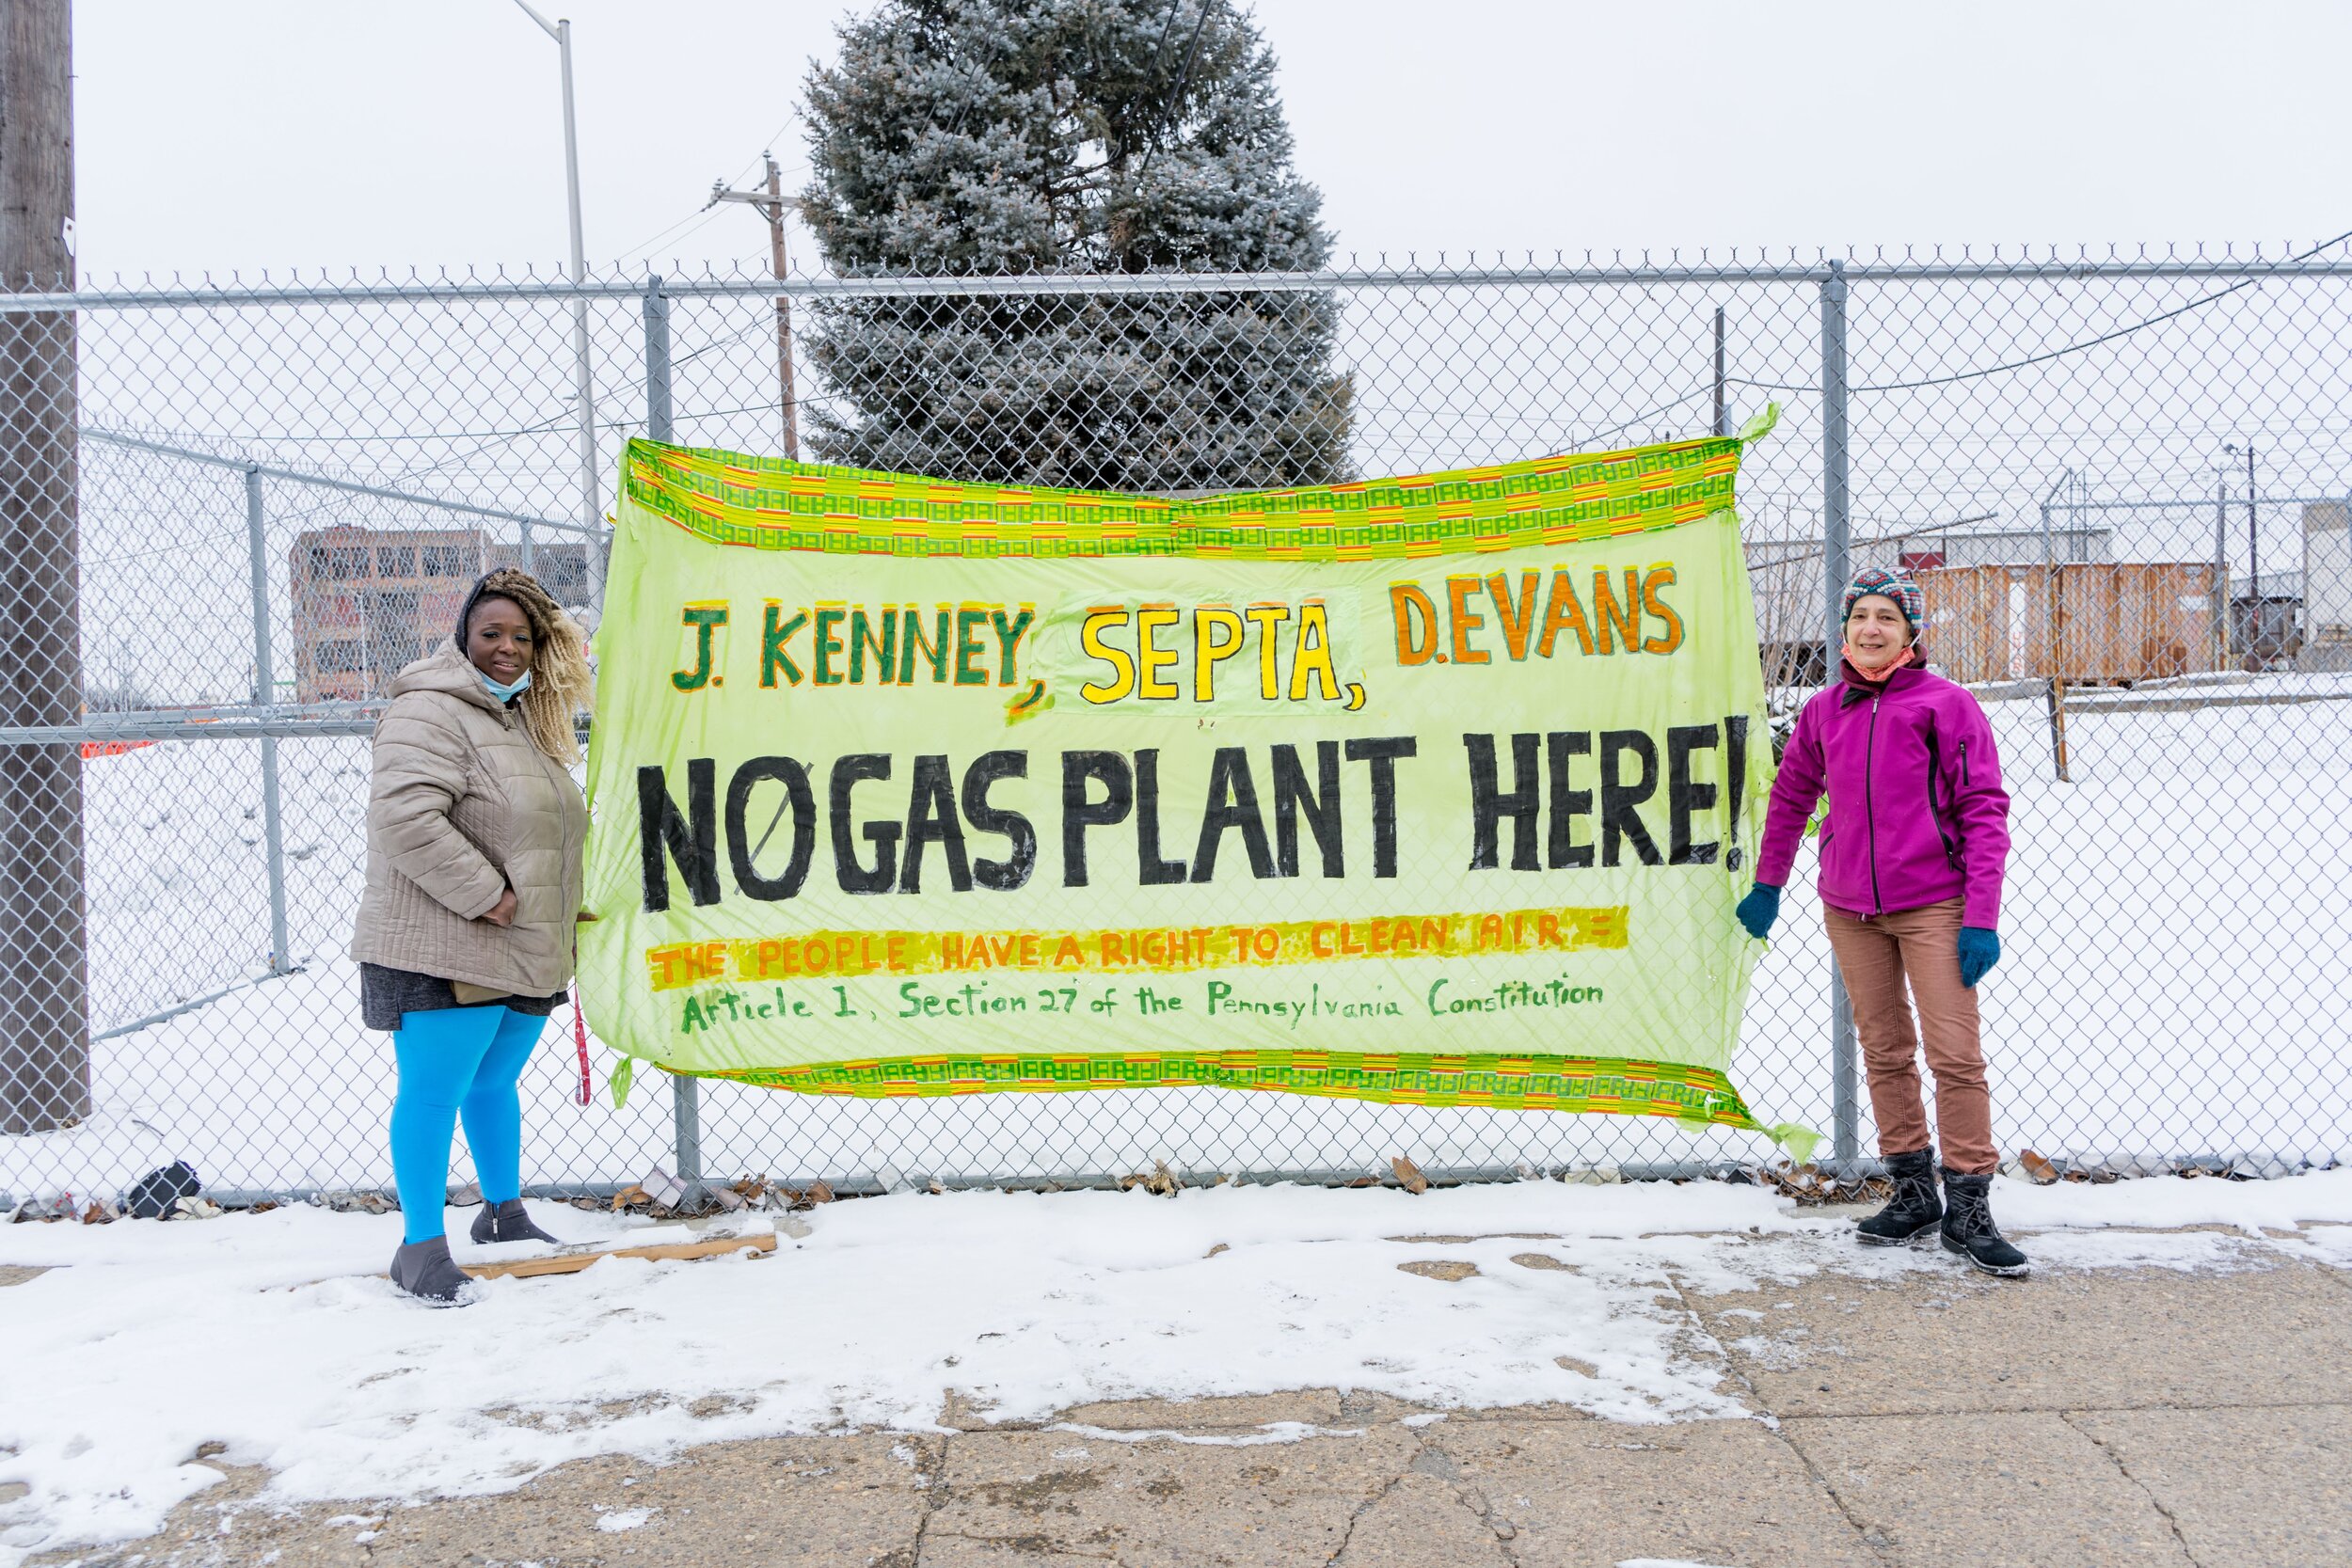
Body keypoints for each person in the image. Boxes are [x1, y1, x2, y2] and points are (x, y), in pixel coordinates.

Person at [1738, 566, 2026, 1277]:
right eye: (1861, 615)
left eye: (1887, 619)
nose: (1871, 628)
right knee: (1885, 1047)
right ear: (1845, 628)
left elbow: (1984, 811)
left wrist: (1979, 916)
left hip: (1934, 904)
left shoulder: (1945, 705)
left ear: (1910, 633)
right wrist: (1769, 882)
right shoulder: (1824, 710)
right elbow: (1791, 797)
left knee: (1954, 1052)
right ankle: (1913, 1191)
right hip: (1849, 907)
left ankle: (1969, 1205)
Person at [350, 568, 594, 1303]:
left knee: (492, 1081)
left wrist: (558, 904)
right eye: (492, 633)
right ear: (463, 636)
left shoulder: (518, 717)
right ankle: (420, 1247)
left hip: (519, 941)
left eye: (522, 637)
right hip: (445, 941)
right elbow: (405, 818)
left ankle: (503, 1212)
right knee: (432, 1092)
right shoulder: (431, 709)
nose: (508, 648)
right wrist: (488, 894)